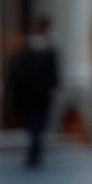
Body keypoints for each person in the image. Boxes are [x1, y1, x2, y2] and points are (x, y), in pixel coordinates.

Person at [7, 17, 59, 168]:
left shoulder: (40, 55)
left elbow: (53, 77)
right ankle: (35, 152)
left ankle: (34, 152)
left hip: (36, 98)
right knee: (36, 127)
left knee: (35, 127)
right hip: (35, 98)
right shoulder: (28, 56)